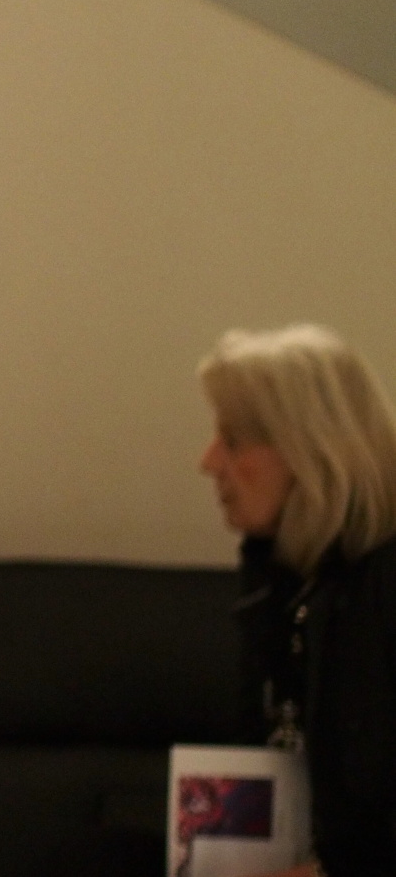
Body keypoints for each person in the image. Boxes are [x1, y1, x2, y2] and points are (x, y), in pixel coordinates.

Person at [197, 324, 396, 877]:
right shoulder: (285, 581)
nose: (208, 462)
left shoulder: (383, 588)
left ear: (309, 450)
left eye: (232, 441)